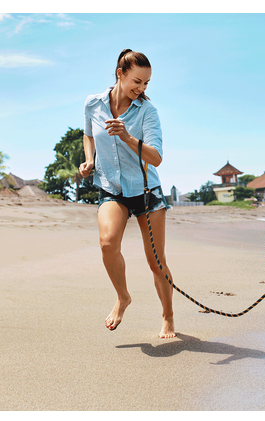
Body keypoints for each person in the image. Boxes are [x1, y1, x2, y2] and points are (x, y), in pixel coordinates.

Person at [79, 49, 175, 338]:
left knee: (155, 262)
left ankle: (168, 316)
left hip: (146, 192)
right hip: (112, 187)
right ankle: (123, 296)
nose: (141, 89)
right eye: (137, 81)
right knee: (108, 243)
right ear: (120, 74)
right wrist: (90, 160)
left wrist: (127, 136)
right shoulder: (92, 104)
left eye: (146, 83)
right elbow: (88, 134)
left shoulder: (148, 111)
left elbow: (156, 158)